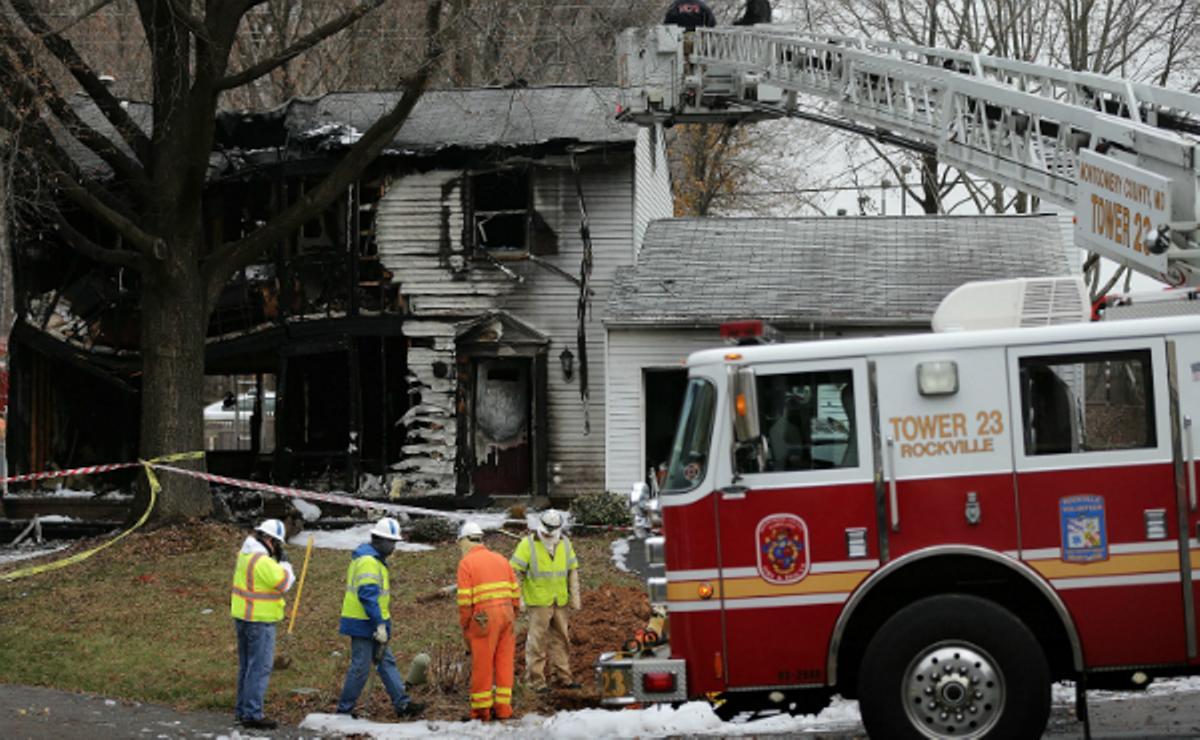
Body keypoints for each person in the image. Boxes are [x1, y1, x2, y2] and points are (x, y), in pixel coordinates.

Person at [336, 517, 424, 719]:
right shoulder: (368, 561)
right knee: (360, 667)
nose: (393, 547)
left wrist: (382, 624)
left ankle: (402, 704)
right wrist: (379, 625)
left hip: (372, 622)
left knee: (386, 662)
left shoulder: (374, 560)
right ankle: (344, 711)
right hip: (363, 623)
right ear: (379, 540)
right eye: (391, 542)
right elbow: (367, 595)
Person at [230, 519, 295, 730]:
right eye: (277, 544)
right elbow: (284, 583)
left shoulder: (245, 554)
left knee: (247, 667)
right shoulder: (262, 561)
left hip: (244, 617)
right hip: (260, 621)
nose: (277, 548)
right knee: (259, 668)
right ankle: (252, 713)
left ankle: (242, 711)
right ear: (269, 540)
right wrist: (285, 563)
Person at [510, 510, 581, 692]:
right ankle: (535, 681)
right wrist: (519, 599)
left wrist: (575, 597)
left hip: (559, 601)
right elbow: (514, 572)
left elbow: (572, 571)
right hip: (538, 601)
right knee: (537, 642)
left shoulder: (565, 543)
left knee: (561, 640)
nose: (548, 534)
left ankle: (562, 677)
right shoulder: (528, 544)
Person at [456, 521, 519, 721]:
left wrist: (466, 625)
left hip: (483, 618)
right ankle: (503, 708)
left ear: (465, 541)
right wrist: (512, 615)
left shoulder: (466, 564)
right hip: (507, 615)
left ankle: (481, 711)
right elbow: (515, 593)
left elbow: (464, 601)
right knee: (504, 662)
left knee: (482, 664)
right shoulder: (501, 559)